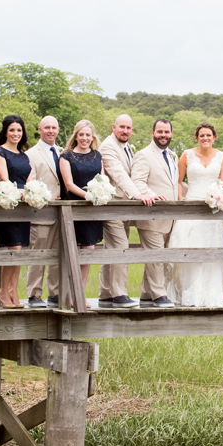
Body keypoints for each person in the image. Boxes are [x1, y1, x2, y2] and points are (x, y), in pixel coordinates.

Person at [167, 122, 223, 307]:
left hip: (212, 212)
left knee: (211, 251)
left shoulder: (222, 156)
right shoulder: (187, 155)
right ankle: (190, 294)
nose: (205, 138)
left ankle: (210, 295)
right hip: (191, 209)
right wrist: (180, 203)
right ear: (197, 137)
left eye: (209, 135)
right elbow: (178, 182)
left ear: (214, 137)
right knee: (190, 250)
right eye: (202, 135)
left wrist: (221, 198)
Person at [99, 114, 154, 308]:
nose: (125, 131)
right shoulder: (107, 146)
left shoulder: (127, 147)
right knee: (121, 247)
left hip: (124, 207)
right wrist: (137, 194)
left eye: (129, 128)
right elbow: (119, 174)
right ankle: (119, 293)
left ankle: (105, 292)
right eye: (122, 127)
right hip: (113, 205)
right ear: (114, 127)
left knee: (111, 249)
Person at [130, 118, 177, 308]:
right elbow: (138, 182)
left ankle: (147, 293)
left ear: (171, 134)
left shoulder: (172, 156)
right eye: (160, 132)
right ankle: (159, 295)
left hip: (170, 217)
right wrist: (152, 195)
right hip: (151, 215)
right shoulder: (143, 155)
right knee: (156, 256)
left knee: (159, 256)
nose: (163, 135)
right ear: (152, 133)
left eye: (166, 132)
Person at [0, 114, 36, 309]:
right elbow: (4, 179)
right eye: (12, 130)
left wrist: (33, 192)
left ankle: (13, 290)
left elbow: (29, 179)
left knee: (20, 250)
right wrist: (19, 193)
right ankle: (2, 290)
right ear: (5, 132)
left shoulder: (24, 155)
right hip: (9, 203)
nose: (15, 133)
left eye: (19, 130)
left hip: (23, 206)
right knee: (13, 249)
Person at [59, 119, 105, 292]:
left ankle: (80, 292)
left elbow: (102, 179)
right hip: (74, 208)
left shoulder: (97, 155)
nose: (85, 138)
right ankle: (67, 293)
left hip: (93, 210)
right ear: (76, 136)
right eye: (81, 135)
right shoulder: (66, 156)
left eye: (88, 135)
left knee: (89, 249)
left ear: (92, 137)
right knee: (72, 251)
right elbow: (69, 184)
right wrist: (89, 196)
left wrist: (101, 194)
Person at [25, 116, 64, 308]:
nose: (51, 131)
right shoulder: (31, 154)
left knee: (58, 254)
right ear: (39, 129)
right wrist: (46, 198)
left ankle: (55, 292)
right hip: (41, 211)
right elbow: (29, 184)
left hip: (61, 213)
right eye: (47, 127)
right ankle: (34, 294)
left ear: (58, 130)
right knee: (39, 254)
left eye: (54, 128)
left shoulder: (61, 152)